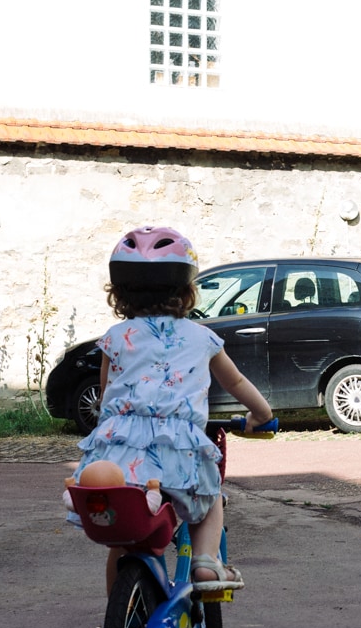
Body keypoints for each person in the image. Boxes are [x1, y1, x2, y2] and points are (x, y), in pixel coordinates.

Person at [68, 225, 273, 594]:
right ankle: (207, 563)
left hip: (119, 458)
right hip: (178, 453)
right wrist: (262, 416)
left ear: (119, 293)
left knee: (123, 537)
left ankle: (121, 616)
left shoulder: (115, 338)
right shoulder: (202, 337)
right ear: (186, 290)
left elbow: (106, 395)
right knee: (209, 501)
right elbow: (236, 382)